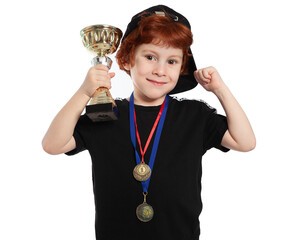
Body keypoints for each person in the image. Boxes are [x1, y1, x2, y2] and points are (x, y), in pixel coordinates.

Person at [42, 5, 256, 240]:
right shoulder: (105, 114)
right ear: (126, 59)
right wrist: (84, 92)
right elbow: (53, 144)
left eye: (172, 61)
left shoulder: (195, 115)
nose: (161, 70)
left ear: (182, 67)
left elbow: (245, 142)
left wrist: (220, 89)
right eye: (150, 57)